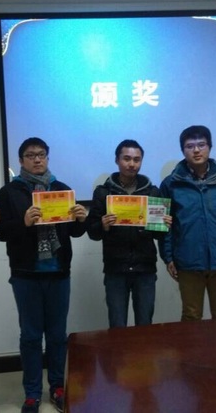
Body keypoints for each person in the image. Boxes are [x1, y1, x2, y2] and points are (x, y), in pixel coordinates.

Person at [0, 137, 87, 413]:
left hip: (58, 271)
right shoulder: (9, 192)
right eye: (31, 155)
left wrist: (81, 219)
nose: (37, 159)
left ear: (48, 157)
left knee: (58, 335)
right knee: (31, 336)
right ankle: (32, 393)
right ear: (20, 160)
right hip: (26, 273)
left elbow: (73, 232)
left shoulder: (62, 190)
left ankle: (58, 387)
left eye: (42, 154)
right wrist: (23, 222)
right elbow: (1, 233)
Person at [159, 126, 216, 321]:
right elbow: (165, 226)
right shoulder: (170, 184)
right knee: (191, 317)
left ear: (210, 147)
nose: (196, 150)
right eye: (190, 146)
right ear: (183, 150)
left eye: (201, 145)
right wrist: (168, 258)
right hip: (188, 262)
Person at [86, 139, 171, 328]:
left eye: (136, 160)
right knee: (117, 326)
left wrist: (164, 225)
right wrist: (103, 225)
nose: (132, 164)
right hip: (116, 268)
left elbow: (159, 235)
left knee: (145, 325)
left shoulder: (152, 192)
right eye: (126, 159)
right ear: (117, 160)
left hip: (145, 268)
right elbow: (92, 232)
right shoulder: (103, 193)